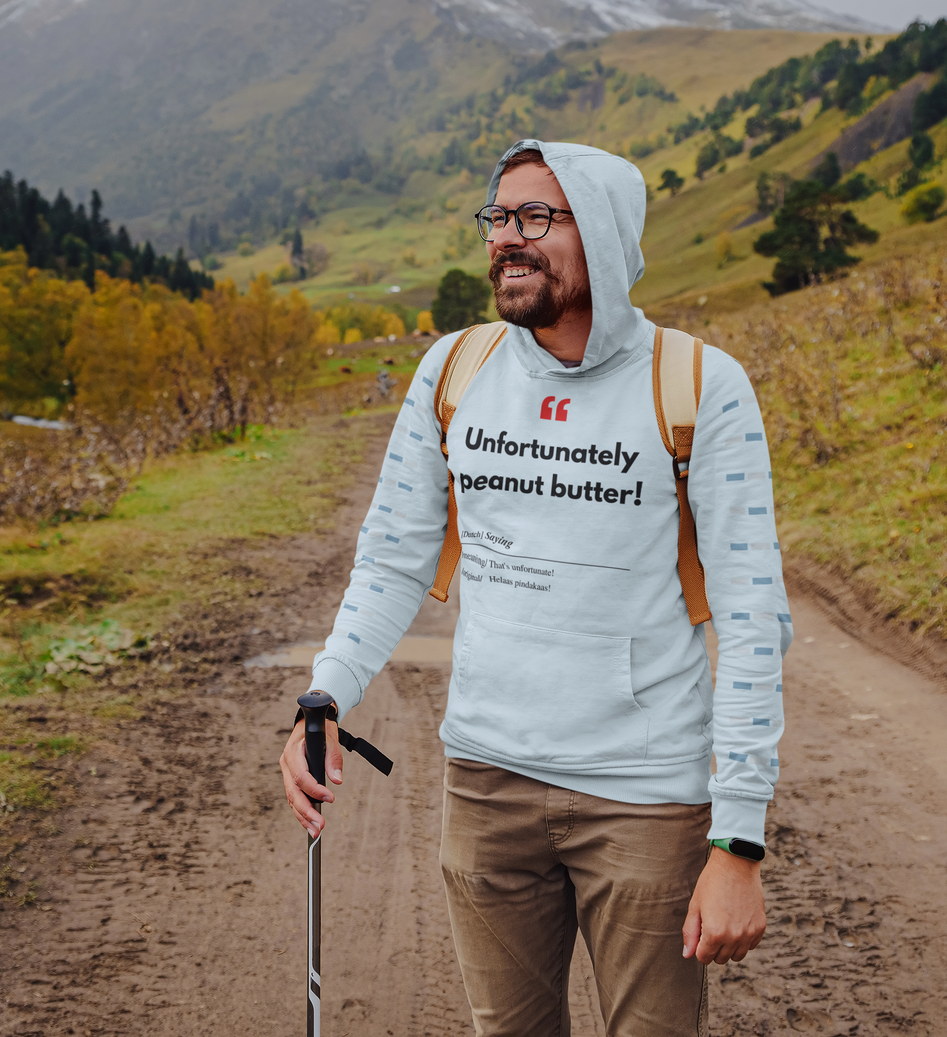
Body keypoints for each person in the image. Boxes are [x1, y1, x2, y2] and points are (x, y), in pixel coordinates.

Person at [280, 140, 791, 1036]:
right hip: (486, 785)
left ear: (602, 230)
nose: (507, 240)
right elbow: (391, 558)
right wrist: (325, 692)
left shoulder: (700, 386)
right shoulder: (452, 371)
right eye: (498, 218)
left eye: (536, 218)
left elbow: (753, 617)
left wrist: (738, 839)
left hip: (647, 798)